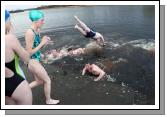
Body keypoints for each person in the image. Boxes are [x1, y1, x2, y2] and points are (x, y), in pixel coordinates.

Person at [25, 10, 59, 104]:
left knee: (39, 81)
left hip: (36, 60)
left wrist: (45, 42)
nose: (43, 22)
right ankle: (48, 100)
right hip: (31, 61)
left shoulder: (37, 30)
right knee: (47, 80)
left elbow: (37, 46)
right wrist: (42, 43)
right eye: (42, 20)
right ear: (35, 21)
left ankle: (21, 91)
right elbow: (28, 53)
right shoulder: (30, 33)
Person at [5, 10, 32, 105]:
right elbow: (26, 58)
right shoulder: (9, 38)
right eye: (9, 19)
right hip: (15, 83)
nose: (10, 22)